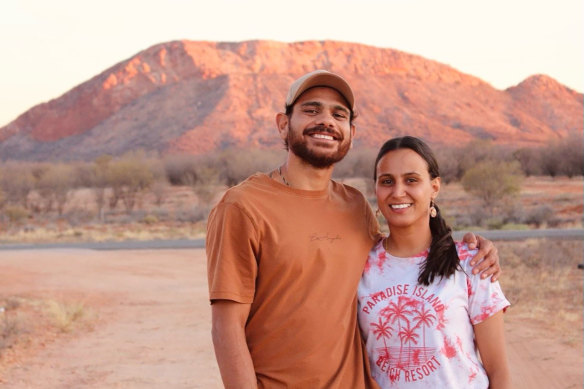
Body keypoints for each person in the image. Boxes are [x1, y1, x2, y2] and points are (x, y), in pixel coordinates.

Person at [206, 70, 501, 389]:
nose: (326, 121)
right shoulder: (243, 206)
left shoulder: (355, 206)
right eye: (311, 109)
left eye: (339, 114)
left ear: (350, 131)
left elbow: (401, 255)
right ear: (282, 124)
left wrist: (472, 247)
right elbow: (226, 327)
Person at [358, 136, 511, 388]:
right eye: (387, 181)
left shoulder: (471, 262)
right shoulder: (360, 264)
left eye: (411, 180)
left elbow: (499, 372)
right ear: (376, 189)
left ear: (434, 187)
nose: (397, 192)